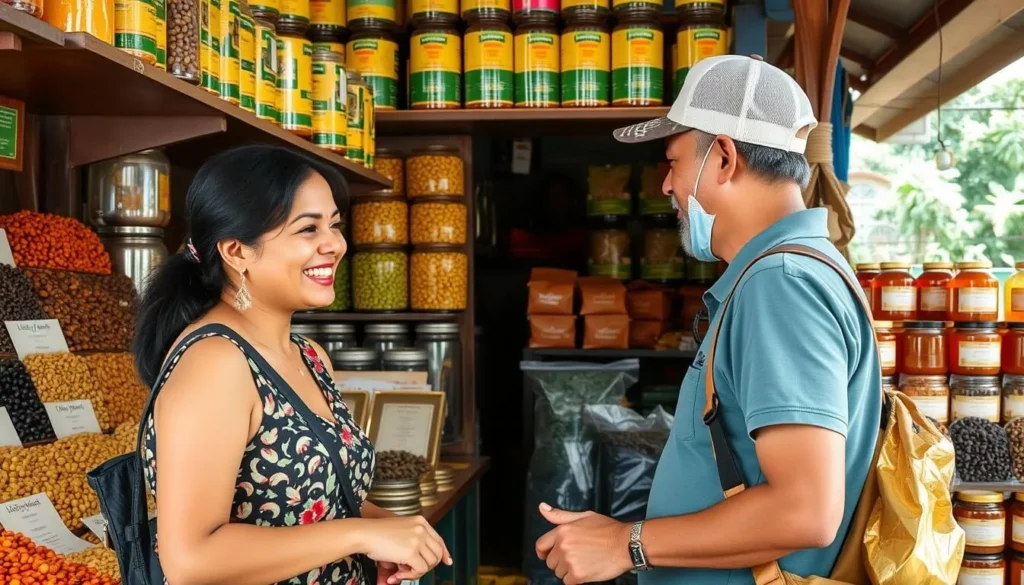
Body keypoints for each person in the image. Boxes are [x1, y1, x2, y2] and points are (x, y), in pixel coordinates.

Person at [534, 55, 881, 585]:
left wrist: (625, 544)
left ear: (723, 157)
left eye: (672, 162)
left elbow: (805, 511)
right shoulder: (783, 272)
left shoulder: (781, 284)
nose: (666, 187)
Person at [133, 144, 452, 585]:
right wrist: (359, 535)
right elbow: (190, 560)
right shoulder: (216, 362)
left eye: (335, 225)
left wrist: (390, 531)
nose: (334, 245)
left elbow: (319, 501)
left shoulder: (308, 356)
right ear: (236, 251)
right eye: (308, 229)